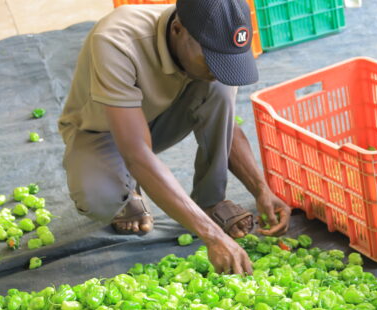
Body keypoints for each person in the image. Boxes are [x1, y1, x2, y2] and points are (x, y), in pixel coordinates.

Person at [57, 0, 291, 274]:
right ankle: (127, 191)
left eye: (226, 60)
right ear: (178, 30)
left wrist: (261, 189)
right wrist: (212, 236)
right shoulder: (116, 41)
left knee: (220, 89)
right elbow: (136, 153)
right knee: (99, 198)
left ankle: (209, 200)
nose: (217, 71)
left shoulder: (208, 50)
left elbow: (226, 125)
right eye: (211, 60)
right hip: (102, 130)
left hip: (160, 119)